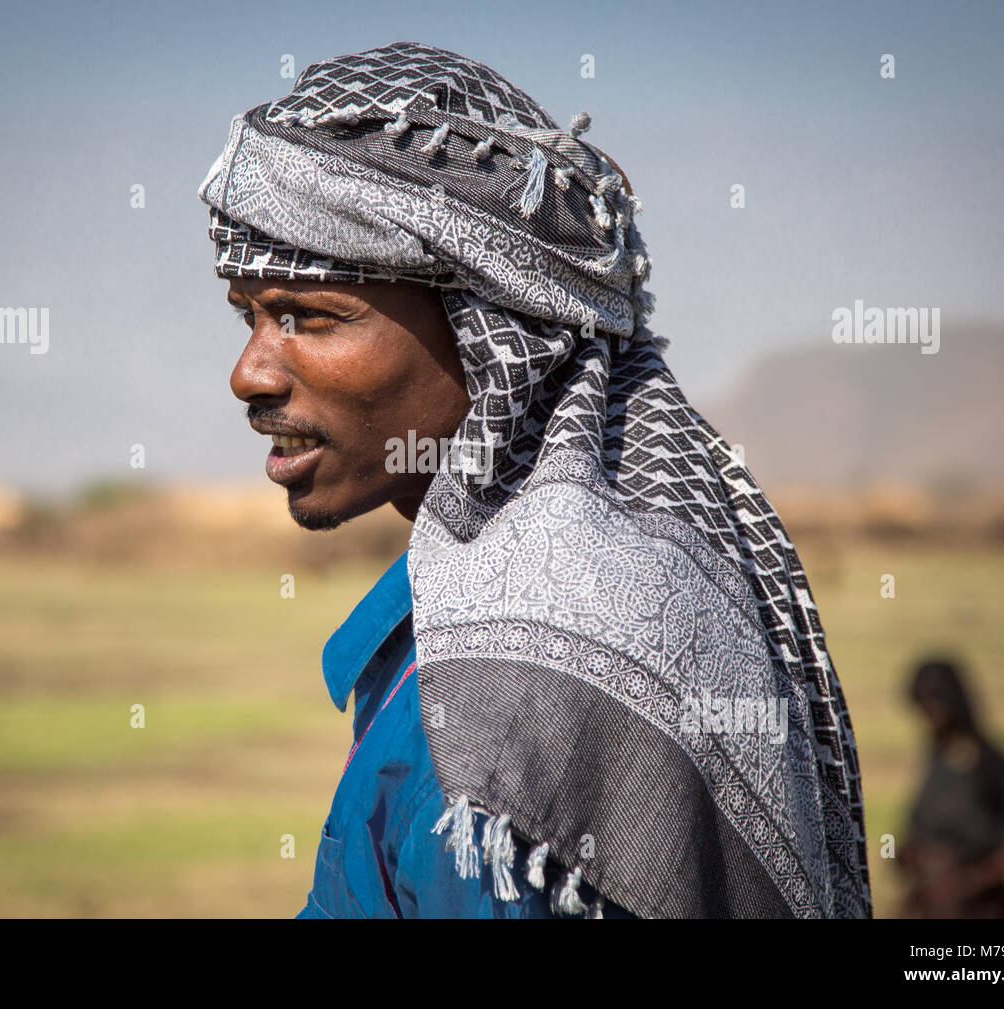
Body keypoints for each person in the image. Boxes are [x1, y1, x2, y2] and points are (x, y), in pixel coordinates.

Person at [198, 40, 872, 917]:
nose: (249, 372)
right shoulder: (486, 607)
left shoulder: (512, 711)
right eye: (249, 316)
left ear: (492, 329)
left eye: (310, 317)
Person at [900, 657, 1004, 918]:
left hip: (981, 907)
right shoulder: (935, 759)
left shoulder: (990, 759)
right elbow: (914, 831)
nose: (929, 718)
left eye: (934, 708)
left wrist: (977, 878)